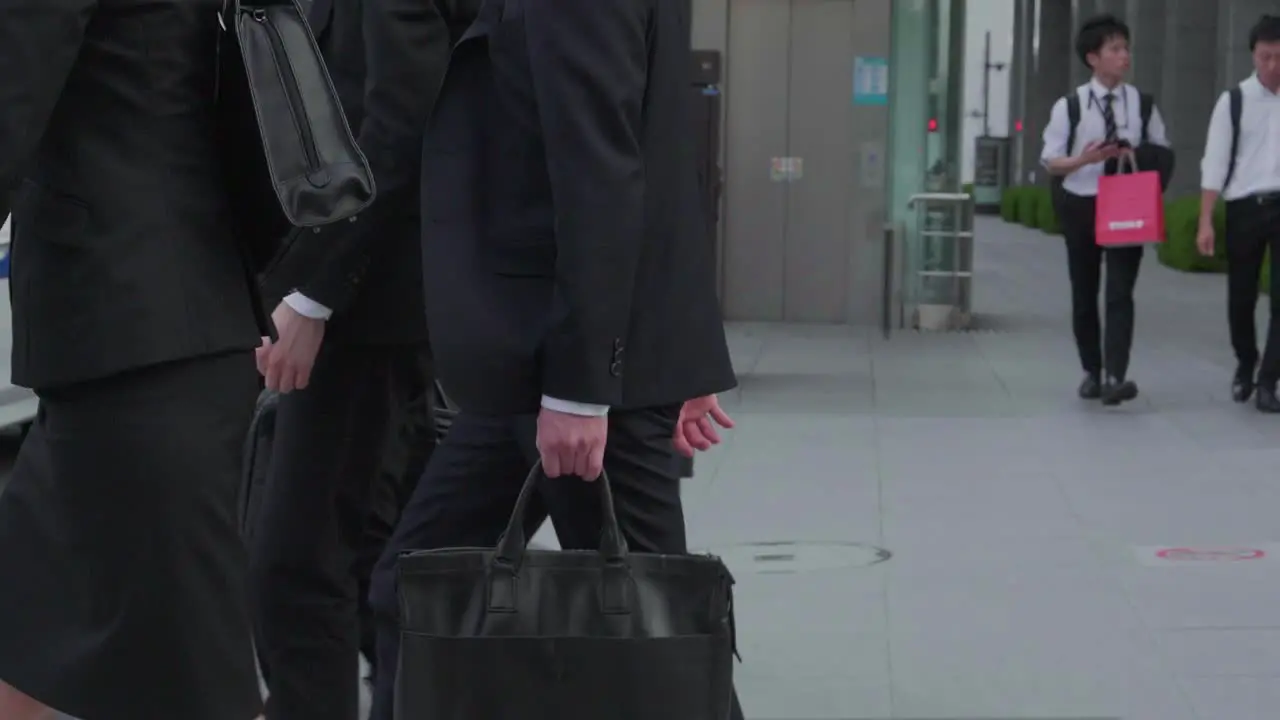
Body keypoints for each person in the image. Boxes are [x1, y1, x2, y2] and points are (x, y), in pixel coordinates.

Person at [364, 2, 741, 719]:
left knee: (656, 642)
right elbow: (653, 152)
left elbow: (606, 170)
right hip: (538, 368)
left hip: (574, 378)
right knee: (408, 596)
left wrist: (580, 390)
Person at [0, 1, 270, 719]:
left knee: (192, 675)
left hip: (137, 339)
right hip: (136, 333)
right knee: (26, 643)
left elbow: (10, 99)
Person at [246, 0, 452, 718]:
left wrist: (315, 295)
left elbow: (397, 127)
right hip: (335, 298)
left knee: (297, 568)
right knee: (348, 559)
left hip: (365, 315)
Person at [1041, 13, 1171, 406]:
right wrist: (1084, 159)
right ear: (1093, 57)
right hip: (1081, 201)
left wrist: (1136, 154)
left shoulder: (1142, 104)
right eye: (1115, 49)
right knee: (1084, 291)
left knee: (1120, 291)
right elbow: (1051, 160)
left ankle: (1116, 373)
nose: (1124, 56)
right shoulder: (1071, 106)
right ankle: (1091, 371)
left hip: (1125, 202)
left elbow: (1162, 150)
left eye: (1126, 48)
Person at [1196, 15, 1280, 413]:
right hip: (1244, 207)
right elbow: (1213, 164)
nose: (1274, 66)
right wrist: (1205, 219)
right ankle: (1247, 361)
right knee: (1241, 298)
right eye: (1266, 57)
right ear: (1253, 55)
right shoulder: (1234, 102)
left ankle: (1269, 382)